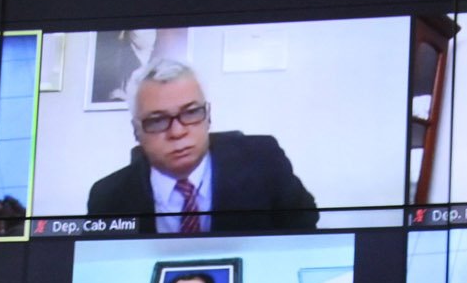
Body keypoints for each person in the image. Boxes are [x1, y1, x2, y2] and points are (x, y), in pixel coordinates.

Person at [86, 60, 318, 233]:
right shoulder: (107, 198)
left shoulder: (264, 161)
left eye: (191, 112)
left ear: (208, 116)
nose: (177, 132)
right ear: (136, 131)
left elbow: (305, 227)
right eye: (157, 120)